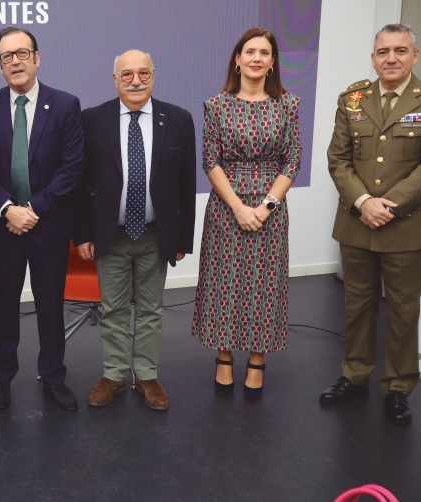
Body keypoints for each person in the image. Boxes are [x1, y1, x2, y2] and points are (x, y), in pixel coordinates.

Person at [75, 50, 196, 412]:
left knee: (150, 309)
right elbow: (80, 183)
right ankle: (113, 373)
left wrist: (182, 239)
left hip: (156, 233)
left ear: (153, 75)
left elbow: (185, 184)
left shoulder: (177, 119)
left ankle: (146, 374)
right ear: (114, 79)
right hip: (109, 234)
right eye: (126, 75)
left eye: (143, 73)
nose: (135, 81)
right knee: (112, 309)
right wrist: (82, 233)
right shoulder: (91, 120)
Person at [191, 28, 300, 400]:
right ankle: (223, 357)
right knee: (224, 285)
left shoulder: (288, 104)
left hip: (271, 208)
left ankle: (257, 361)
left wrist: (266, 207)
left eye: (264, 53)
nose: (256, 58)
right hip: (226, 208)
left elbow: (293, 160)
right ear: (237, 59)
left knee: (264, 287)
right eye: (249, 51)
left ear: (272, 63)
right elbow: (210, 160)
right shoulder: (216, 105)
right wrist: (238, 207)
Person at [0, 27, 84, 411]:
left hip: (48, 226)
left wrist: (33, 209)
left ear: (37, 58)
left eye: (22, 53)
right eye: (7, 57)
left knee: (50, 305)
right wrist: (8, 208)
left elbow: (72, 168)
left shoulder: (66, 104)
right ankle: (2, 376)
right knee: (3, 303)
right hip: (4, 226)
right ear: (1, 67)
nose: (15, 61)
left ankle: (53, 376)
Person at [322, 23, 421, 426]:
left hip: (405, 225)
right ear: (373, 57)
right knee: (357, 306)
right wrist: (364, 201)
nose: (391, 58)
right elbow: (338, 158)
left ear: (414, 55)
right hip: (358, 222)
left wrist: (389, 205)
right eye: (383, 51)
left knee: (402, 310)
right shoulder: (353, 98)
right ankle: (355, 376)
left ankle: (398, 387)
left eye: (400, 51)